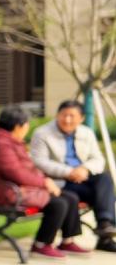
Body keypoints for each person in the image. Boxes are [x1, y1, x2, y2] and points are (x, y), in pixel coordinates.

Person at [0, 106, 88, 258]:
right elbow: (17, 174)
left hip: (19, 189)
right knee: (58, 203)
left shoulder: (9, 141)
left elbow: (24, 170)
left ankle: (67, 241)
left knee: (70, 197)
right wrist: (44, 183)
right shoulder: (0, 145)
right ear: (18, 126)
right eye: (26, 125)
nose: (27, 128)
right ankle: (41, 244)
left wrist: (45, 180)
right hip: (7, 193)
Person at [29, 100, 116, 252]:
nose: (67, 119)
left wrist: (84, 169)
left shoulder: (86, 132)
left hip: (82, 178)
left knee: (104, 179)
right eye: (64, 115)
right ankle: (105, 237)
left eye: (72, 116)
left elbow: (98, 159)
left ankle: (104, 224)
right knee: (103, 194)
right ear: (57, 115)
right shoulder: (42, 133)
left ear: (81, 118)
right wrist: (68, 172)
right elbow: (39, 162)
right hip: (59, 181)